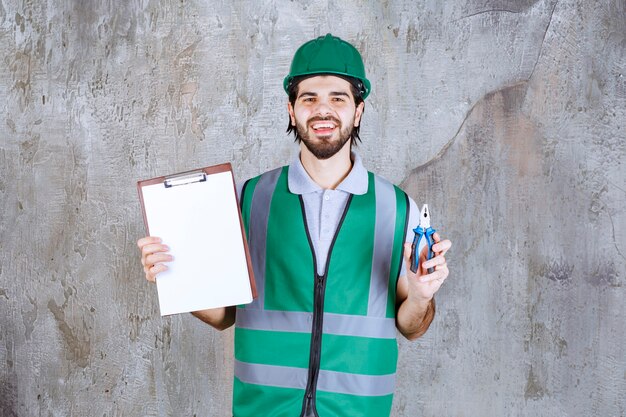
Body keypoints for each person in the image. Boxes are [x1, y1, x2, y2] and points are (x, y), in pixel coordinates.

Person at [138, 33, 451, 417]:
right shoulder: (247, 200)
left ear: (358, 111)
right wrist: (178, 277)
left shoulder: (397, 207)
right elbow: (222, 315)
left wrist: (420, 296)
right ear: (291, 109)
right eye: (309, 98)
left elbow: (413, 326)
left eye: (338, 98)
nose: (323, 110)